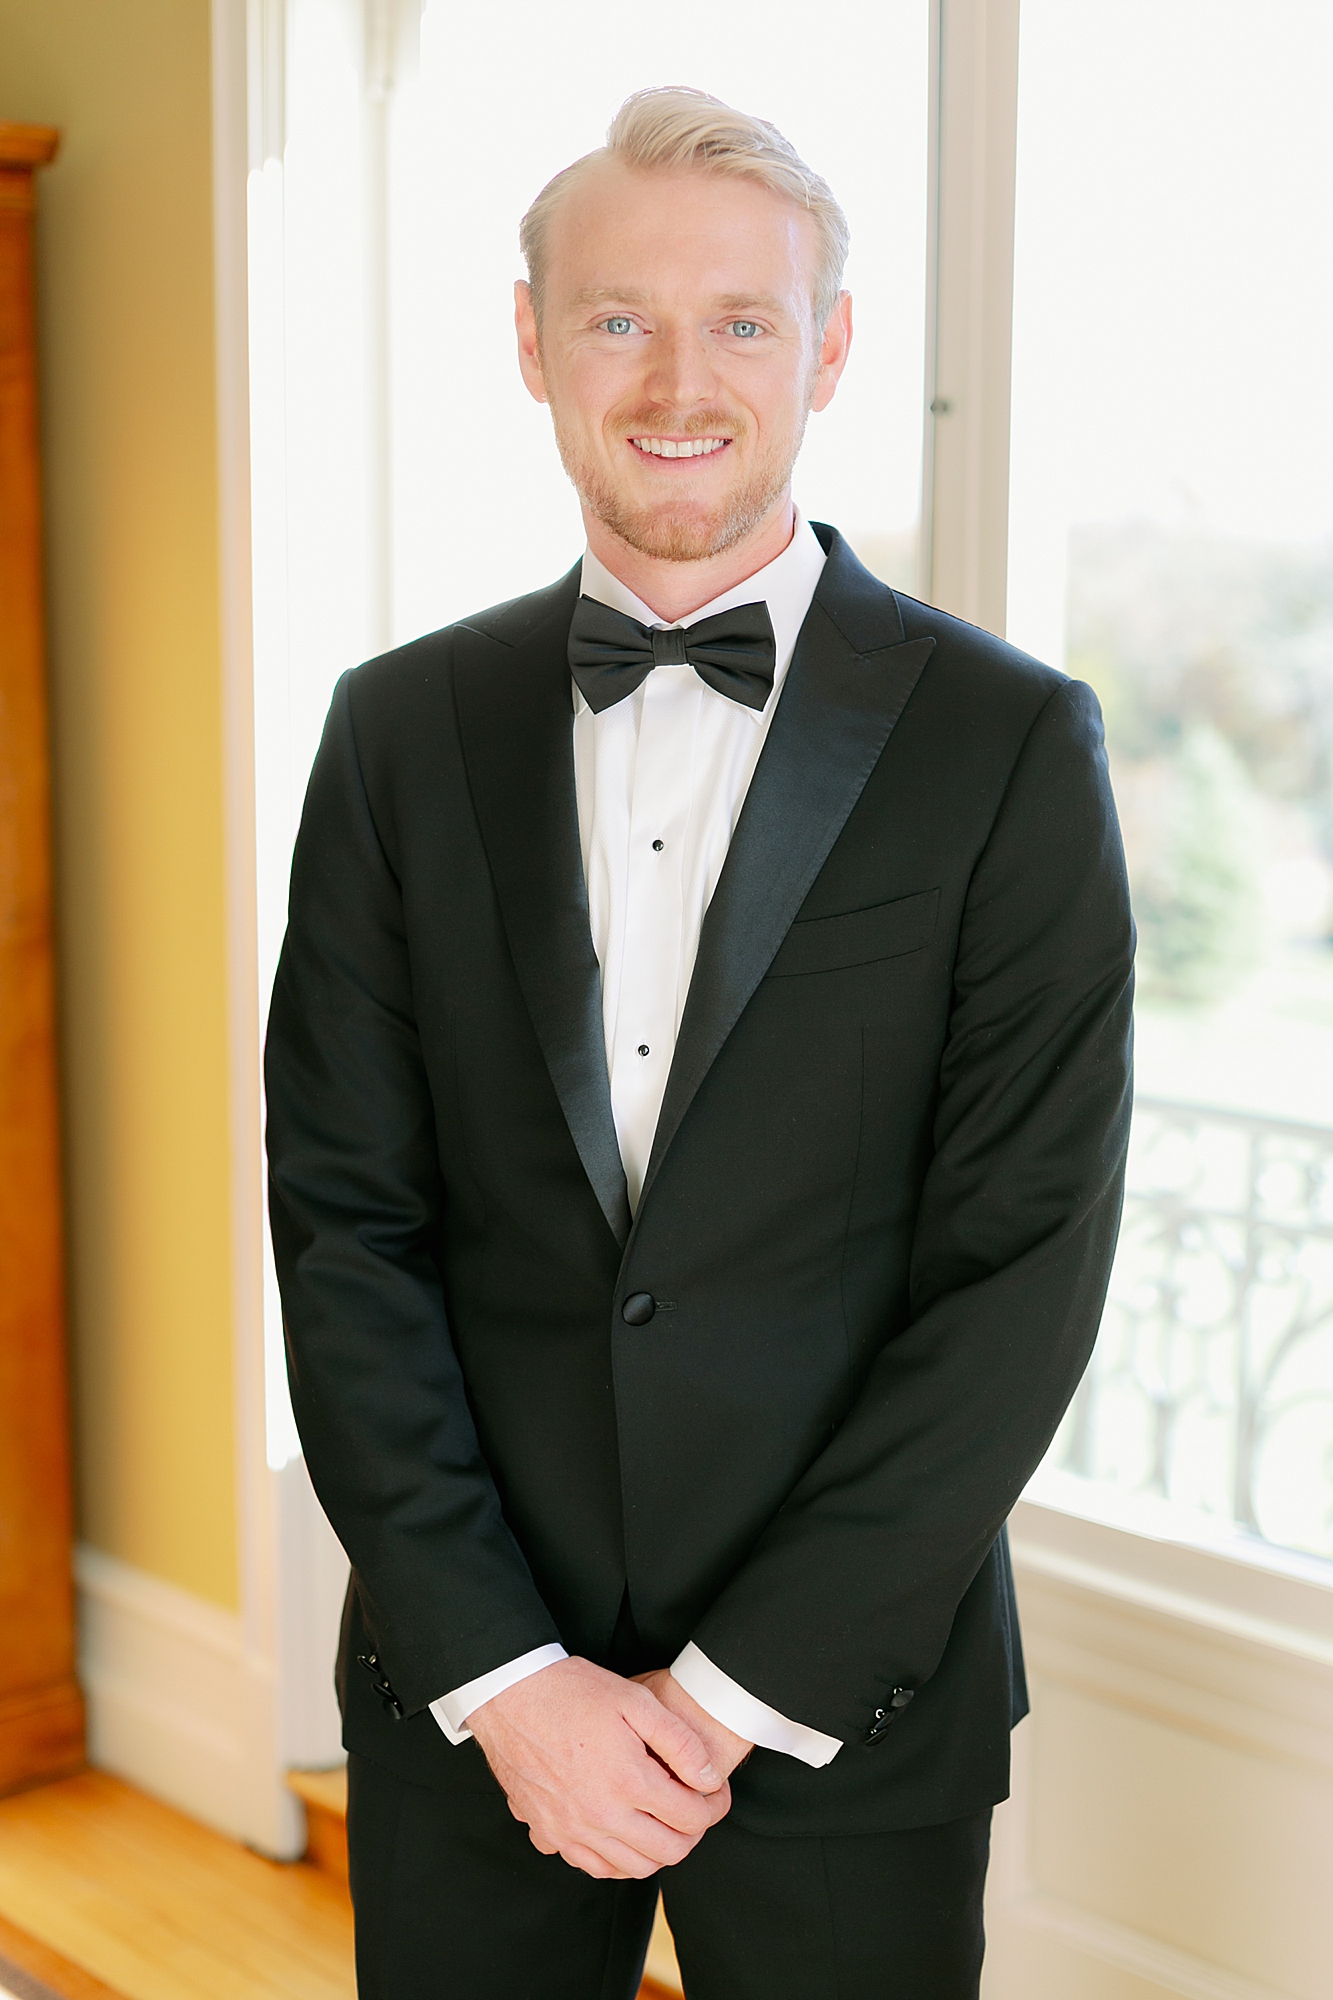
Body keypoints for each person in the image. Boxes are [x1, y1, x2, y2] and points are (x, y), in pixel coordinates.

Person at [265, 85, 1134, 2000]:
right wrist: (509, 1681)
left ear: (828, 347)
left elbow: (1019, 1272)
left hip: (847, 1703)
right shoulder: (395, 732)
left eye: (741, 319)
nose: (678, 381)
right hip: (471, 1689)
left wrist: (726, 1700)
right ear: (531, 343)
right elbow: (344, 1231)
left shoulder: (1007, 744)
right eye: (617, 317)